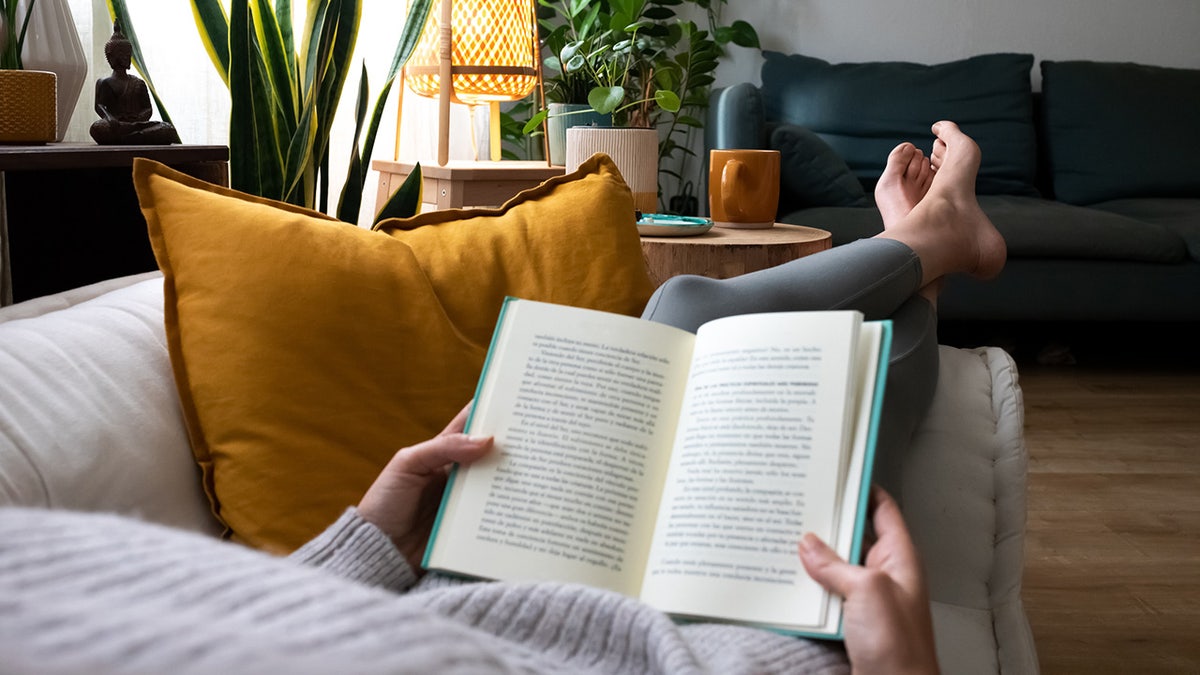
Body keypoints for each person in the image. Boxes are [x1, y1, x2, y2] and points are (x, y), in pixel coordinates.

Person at [0, 121, 1002, 674]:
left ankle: (923, 256)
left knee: (684, 310)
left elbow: (242, 615)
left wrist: (369, 536)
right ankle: (920, 256)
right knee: (732, 334)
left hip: (486, 573)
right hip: (710, 636)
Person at [89, 21, 180, 146]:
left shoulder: (138, 83)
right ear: (111, 57)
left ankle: (130, 138)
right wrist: (110, 118)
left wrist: (138, 119)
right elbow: (99, 106)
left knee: (167, 128)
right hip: (117, 125)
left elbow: (147, 108)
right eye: (122, 55)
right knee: (97, 128)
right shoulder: (104, 82)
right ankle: (136, 137)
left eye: (128, 55)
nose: (126, 58)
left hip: (137, 125)